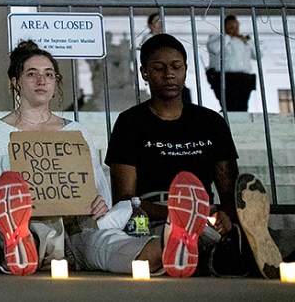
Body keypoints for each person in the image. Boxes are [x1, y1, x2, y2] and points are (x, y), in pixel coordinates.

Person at [0, 40, 159, 276]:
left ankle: (168, 247)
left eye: (49, 74)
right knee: (27, 236)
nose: (42, 81)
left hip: (79, 228)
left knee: (116, 245)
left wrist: (99, 203)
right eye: (32, 74)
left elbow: (97, 188)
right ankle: (17, 243)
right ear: (15, 82)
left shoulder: (76, 133)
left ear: (56, 82)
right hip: (27, 227)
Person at [106, 33, 281, 278]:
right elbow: (125, 199)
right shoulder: (130, 122)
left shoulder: (211, 122)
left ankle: (219, 251)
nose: (169, 74)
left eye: (176, 67)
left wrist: (225, 216)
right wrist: (177, 215)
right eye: (159, 68)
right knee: (160, 245)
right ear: (145, 72)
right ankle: (208, 255)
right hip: (154, 218)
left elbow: (230, 191)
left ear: (185, 70)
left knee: (226, 233)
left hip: (203, 216)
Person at [206, 14, 259, 111]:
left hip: (244, 78)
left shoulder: (244, 40)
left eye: (236, 26)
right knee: (229, 106)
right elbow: (215, 49)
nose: (234, 29)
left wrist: (249, 41)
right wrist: (227, 36)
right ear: (225, 26)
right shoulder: (216, 38)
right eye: (231, 26)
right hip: (225, 78)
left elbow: (258, 55)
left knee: (242, 107)